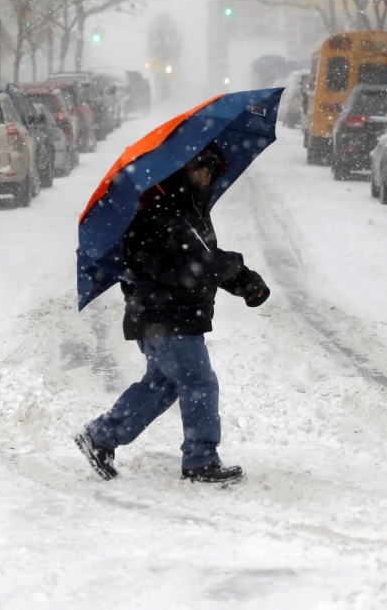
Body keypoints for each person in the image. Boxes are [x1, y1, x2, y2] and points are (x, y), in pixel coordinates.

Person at [75, 143, 270, 485]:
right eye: (201, 168)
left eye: (211, 171)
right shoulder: (153, 211)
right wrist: (234, 265)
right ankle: (200, 459)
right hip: (163, 315)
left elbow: (206, 259)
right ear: (184, 167)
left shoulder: (189, 209)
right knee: (199, 383)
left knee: (163, 385)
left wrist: (244, 282)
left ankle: (101, 436)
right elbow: (182, 268)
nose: (206, 176)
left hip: (173, 316)